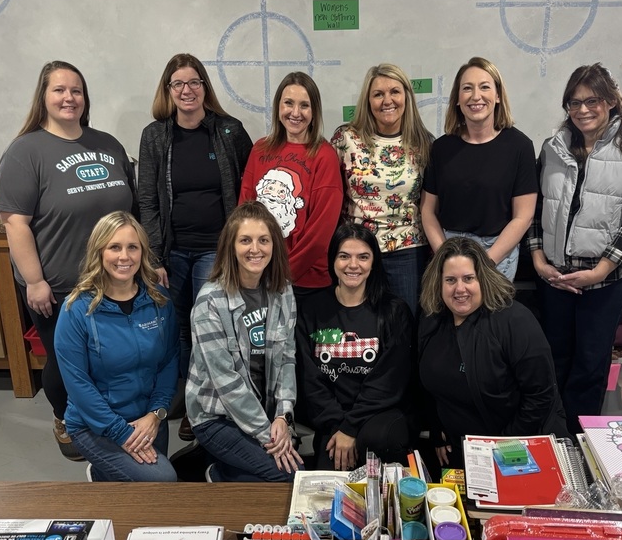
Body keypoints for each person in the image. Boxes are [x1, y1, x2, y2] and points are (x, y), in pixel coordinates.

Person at [0, 60, 137, 461]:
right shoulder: (25, 151)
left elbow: (133, 211)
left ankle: (108, 416)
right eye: (59, 90)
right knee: (65, 362)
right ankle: (65, 418)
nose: (68, 98)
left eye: (76, 90)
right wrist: (34, 281)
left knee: (109, 357)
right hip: (59, 285)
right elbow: (15, 223)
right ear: (43, 97)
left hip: (114, 280)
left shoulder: (107, 144)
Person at [527, 63, 622, 435]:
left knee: (589, 366)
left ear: (611, 101)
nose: (582, 110)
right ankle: (552, 437)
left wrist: (601, 269)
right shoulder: (553, 148)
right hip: (554, 277)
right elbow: (536, 209)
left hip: (603, 282)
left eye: (592, 100)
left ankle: (580, 443)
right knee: (553, 361)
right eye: (574, 102)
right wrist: (538, 259)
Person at [138, 54, 253, 442]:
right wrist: (153, 257)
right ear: (168, 91)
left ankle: (210, 405)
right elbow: (148, 201)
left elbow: (248, 189)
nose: (187, 90)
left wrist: (239, 248)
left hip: (215, 250)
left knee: (211, 329)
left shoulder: (228, 131)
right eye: (178, 84)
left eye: (194, 82)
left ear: (205, 87)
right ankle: (191, 402)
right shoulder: (155, 136)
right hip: (172, 253)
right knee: (180, 329)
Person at [418, 238, 566, 468]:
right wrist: (437, 432)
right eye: (450, 280)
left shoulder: (515, 321)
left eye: (468, 278)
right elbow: (430, 388)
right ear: (438, 283)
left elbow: (541, 397)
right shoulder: (431, 319)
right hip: (461, 446)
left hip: (515, 442)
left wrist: (500, 448)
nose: (460, 289)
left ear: (483, 278)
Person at [54, 211, 178, 482]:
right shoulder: (76, 309)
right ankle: (101, 472)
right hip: (96, 424)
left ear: (142, 252)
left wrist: (156, 413)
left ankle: (105, 475)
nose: (124, 257)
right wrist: (120, 433)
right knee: (162, 480)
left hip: (148, 417)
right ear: (99, 252)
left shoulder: (159, 298)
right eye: (114, 247)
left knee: (152, 496)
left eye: (132, 247)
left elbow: (169, 360)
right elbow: (77, 383)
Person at [186, 201, 303, 482]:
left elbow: (287, 358)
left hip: (265, 412)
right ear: (231, 246)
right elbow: (227, 384)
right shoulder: (210, 302)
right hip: (216, 417)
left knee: (287, 475)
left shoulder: (282, 291)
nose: (255, 249)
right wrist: (269, 435)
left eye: (263, 240)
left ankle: (222, 470)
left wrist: (283, 417)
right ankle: (219, 470)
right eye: (245, 240)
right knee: (287, 476)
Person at [296, 223, 416, 470]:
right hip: (333, 420)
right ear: (333, 261)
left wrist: (350, 428)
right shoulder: (311, 310)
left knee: (375, 440)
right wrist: (337, 427)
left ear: (373, 263)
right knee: (324, 490)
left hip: (381, 415)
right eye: (344, 256)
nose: (353, 265)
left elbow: (389, 382)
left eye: (363, 257)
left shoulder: (394, 311)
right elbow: (310, 379)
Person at [420, 57, 537, 281]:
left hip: (497, 255)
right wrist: (445, 255)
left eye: (485, 87)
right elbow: (427, 211)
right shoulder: (441, 148)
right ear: (457, 99)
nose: (476, 96)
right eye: (467, 88)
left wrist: (485, 262)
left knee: (493, 317)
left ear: (498, 95)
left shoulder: (520, 147)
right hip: (449, 250)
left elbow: (523, 216)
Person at [330, 64, 433, 312]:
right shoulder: (346, 139)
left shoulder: (424, 142)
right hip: (356, 250)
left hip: (407, 252)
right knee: (358, 324)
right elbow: (331, 198)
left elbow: (430, 205)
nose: (387, 100)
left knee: (405, 327)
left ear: (406, 96)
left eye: (394, 92)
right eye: (378, 94)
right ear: (368, 100)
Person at [240, 71, 343, 297]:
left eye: (304, 105)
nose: (295, 113)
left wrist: (283, 274)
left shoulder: (324, 155)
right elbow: (243, 215)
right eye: (288, 103)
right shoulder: (260, 150)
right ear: (278, 107)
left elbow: (320, 232)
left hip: (306, 283)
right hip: (259, 275)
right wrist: (253, 269)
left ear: (314, 112)